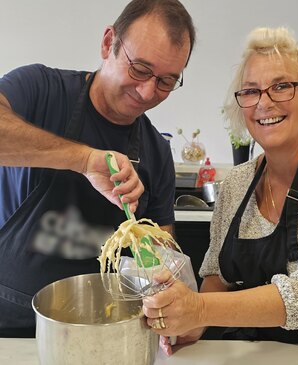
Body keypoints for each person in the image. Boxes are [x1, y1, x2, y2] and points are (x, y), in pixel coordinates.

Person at [142, 26, 298, 355]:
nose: (264, 102)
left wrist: (200, 309)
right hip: (251, 352)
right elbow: (217, 274)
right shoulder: (236, 183)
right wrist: (195, 323)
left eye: (282, 86)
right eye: (250, 91)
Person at [0, 0, 196, 337]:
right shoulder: (40, 90)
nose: (148, 92)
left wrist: (175, 300)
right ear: (109, 43)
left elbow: (161, 257)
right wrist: (85, 160)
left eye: (166, 81)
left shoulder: (156, 152)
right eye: (140, 69)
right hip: (8, 322)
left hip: (104, 329)